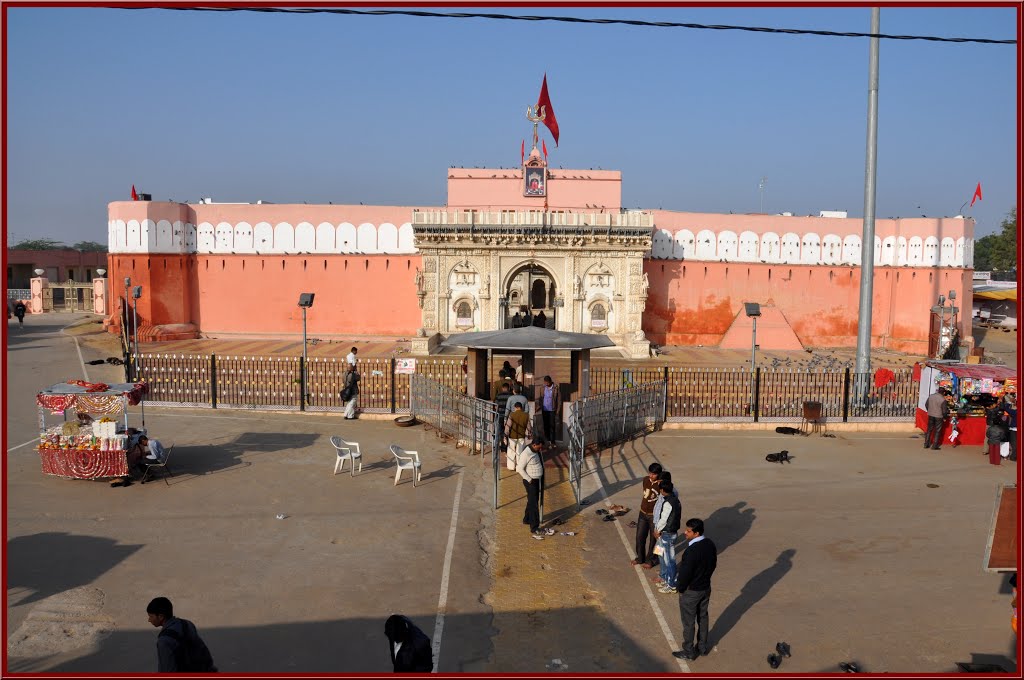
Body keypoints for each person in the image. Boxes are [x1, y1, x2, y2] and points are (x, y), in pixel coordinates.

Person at [671, 518, 718, 662]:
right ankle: (702, 647)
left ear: (696, 533)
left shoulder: (691, 551)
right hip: (705, 587)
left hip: (691, 592)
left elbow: (685, 574)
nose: (685, 533)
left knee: (688, 621)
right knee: (703, 617)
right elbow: (713, 564)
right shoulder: (710, 544)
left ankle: (689, 651)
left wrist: (680, 587)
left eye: (689, 531)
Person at [146, 597, 217, 672]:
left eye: (151, 616)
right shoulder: (187, 624)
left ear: (161, 617)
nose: (149, 620)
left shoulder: (164, 641)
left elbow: (167, 670)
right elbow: (202, 650)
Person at [633, 463, 663, 569]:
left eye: (654, 474)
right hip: (643, 513)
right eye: (650, 473)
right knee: (639, 537)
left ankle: (651, 560)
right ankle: (640, 558)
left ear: (659, 475)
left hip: (654, 517)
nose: (651, 475)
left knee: (654, 541)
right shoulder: (645, 480)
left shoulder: (661, 485)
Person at [651, 471, 680, 585]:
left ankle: (669, 579)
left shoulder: (670, 497)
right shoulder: (666, 493)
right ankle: (664, 573)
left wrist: (657, 530)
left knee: (668, 559)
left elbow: (665, 518)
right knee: (659, 553)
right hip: (660, 528)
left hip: (664, 531)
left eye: (659, 481)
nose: (658, 484)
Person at [516, 435, 545, 539]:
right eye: (539, 447)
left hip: (536, 480)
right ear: (534, 444)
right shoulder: (526, 453)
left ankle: (527, 519)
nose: (540, 449)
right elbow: (519, 468)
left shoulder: (536, 450)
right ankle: (534, 527)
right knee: (534, 504)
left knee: (532, 500)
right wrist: (529, 479)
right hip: (530, 481)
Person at [504, 401, 533, 472]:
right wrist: (530, 434)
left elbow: (508, 426)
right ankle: (519, 467)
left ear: (515, 407)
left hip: (512, 436)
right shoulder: (526, 415)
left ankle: (511, 467)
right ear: (521, 408)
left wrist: (505, 435)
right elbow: (529, 427)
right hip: (521, 436)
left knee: (511, 452)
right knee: (520, 452)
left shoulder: (512, 414)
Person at [536, 376, 561, 449]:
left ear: (550, 381)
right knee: (546, 426)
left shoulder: (556, 388)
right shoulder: (542, 388)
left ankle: (553, 442)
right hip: (544, 410)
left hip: (552, 410)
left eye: (547, 382)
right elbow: (540, 398)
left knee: (552, 426)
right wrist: (538, 406)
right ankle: (548, 440)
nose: (546, 383)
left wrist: (558, 411)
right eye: (545, 382)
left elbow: (559, 400)